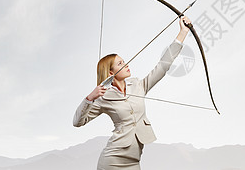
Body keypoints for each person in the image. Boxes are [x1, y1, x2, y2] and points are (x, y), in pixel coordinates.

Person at [73, 16, 191, 170]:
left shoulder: (137, 85)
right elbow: (77, 122)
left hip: (134, 161)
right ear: (110, 72)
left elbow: (162, 66)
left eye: (124, 61)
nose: (126, 64)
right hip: (112, 160)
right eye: (120, 63)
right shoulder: (102, 97)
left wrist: (182, 33)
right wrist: (90, 98)